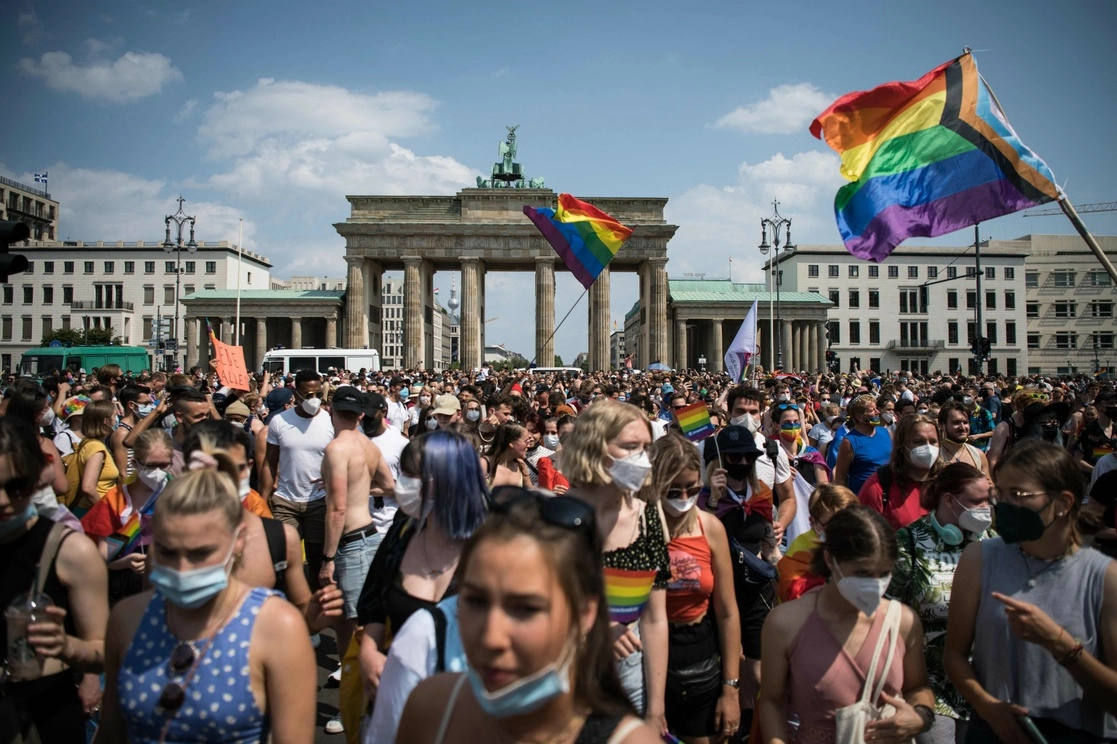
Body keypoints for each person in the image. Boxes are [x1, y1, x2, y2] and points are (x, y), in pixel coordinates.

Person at [395, 489, 660, 744]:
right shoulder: (432, 707)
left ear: (585, 614)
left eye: (525, 609)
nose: (491, 638)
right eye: (476, 601)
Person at [98, 458, 318, 743]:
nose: (182, 568)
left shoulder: (277, 626)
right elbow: (111, 731)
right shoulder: (127, 618)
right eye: (166, 552)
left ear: (238, 541)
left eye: (200, 553)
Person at [943, 440, 1117, 743]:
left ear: (1063, 503)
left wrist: (1062, 644)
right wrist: (987, 706)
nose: (1005, 505)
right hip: (994, 732)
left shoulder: (1105, 578)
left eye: (1019, 495)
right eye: (1001, 494)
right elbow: (955, 655)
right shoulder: (979, 559)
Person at [758, 506, 936, 743]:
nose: (875, 584)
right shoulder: (785, 624)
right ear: (831, 560)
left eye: (884, 573)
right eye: (862, 573)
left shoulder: (903, 622)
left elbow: (918, 687)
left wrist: (921, 716)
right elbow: (772, 700)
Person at [356, 431, 489, 703]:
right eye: (402, 474)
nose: (401, 484)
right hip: (401, 696)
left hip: (472, 705)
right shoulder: (401, 534)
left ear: (449, 480)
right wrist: (369, 653)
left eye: (412, 476)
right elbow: (374, 606)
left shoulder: (495, 548)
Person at [562, 400, 670, 732]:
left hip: (629, 677)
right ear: (595, 447)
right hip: (564, 675)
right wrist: (596, 628)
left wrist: (656, 707)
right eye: (630, 447)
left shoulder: (650, 518)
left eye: (646, 448)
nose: (642, 458)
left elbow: (654, 619)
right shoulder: (556, 517)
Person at [0, 417, 109, 742]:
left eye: (16, 486)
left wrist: (65, 646)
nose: (3, 500)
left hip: (42, 711)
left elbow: (102, 649)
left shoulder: (69, 550)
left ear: (38, 478)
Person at [644, 433, 742, 743]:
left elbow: (727, 612)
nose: (684, 497)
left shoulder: (710, 528)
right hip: (643, 658)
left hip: (699, 656)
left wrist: (731, 687)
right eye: (674, 490)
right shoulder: (635, 529)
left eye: (693, 488)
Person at [888, 463, 996, 744]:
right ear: (949, 499)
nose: (985, 507)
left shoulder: (994, 542)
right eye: (977, 501)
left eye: (988, 500)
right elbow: (888, 609)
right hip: (930, 685)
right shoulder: (909, 542)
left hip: (985, 684)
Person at [701, 424, 775, 735]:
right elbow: (697, 536)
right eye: (734, 457)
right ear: (720, 461)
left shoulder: (762, 494)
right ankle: (734, 723)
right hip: (719, 589)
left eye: (748, 457)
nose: (742, 463)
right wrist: (714, 501)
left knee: (757, 670)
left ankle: (752, 720)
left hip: (757, 588)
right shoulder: (703, 498)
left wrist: (774, 551)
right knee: (727, 660)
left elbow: (769, 538)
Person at [319, 386, 394, 691]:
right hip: (370, 535)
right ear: (361, 414)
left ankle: (356, 699)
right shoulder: (368, 445)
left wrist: (326, 559)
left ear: (330, 410)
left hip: (350, 542)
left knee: (352, 627)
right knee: (357, 622)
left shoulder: (337, 449)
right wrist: (361, 490)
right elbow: (389, 485)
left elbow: (337, 509)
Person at [261, 368, 334, 592]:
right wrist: (263, 499)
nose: (313, 400)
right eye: (307, 395)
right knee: (284, 557)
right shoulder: (279, 422)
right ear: (296, 394)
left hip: (318, 501)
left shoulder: (331, 421)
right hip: (285, 501)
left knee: (315, 559)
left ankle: (313, 611)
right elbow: (269, 462)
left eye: (317, 394)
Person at [82, 429, 174, 603]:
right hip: (125, 585)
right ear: (135, 463)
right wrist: (124, 563)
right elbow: (101, 555)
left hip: (168, 583)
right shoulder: (115, 499)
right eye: (151, 465)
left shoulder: (180, 494)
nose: (158, 472)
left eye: (164, 465)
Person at [857, 413, 943, 531]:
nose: (928, 449)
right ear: (902, 446)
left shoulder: (948, 482)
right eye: (918, 442)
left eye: (933, 441)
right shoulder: (879, 486)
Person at [776, 483, 859, 603]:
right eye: (831, 524)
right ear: (813, 522)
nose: (841, 529)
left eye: (848, 521)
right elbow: (797, 599)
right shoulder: (798, 555)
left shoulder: (861, 545)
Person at [833, 393, 892, 497]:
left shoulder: (886, 433)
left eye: (877, 409)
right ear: (860, 417)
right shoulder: (849, 441)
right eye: (873, 410)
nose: (878, 412)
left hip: (889, 496)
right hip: (863, 500)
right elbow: (840, 477)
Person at [73, 399, 121, 512]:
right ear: (106, 421)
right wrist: (104, 511)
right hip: (94, 511)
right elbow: (88, 488)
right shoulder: (96, 449)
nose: (117, 418)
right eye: (115, 416)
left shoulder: (88, 442)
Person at [937, 401, 989, 474]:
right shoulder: (935, 456)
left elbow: (989, 483)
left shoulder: (978, 455)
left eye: (965, 422)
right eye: (956, 422)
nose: (962, 427)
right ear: (942, 425)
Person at [481, 422, 532, 488]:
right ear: (511, 443)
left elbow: (531, 492)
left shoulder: (520, 466)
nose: (529, 445)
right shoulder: (484, 464)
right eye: (526, 441)